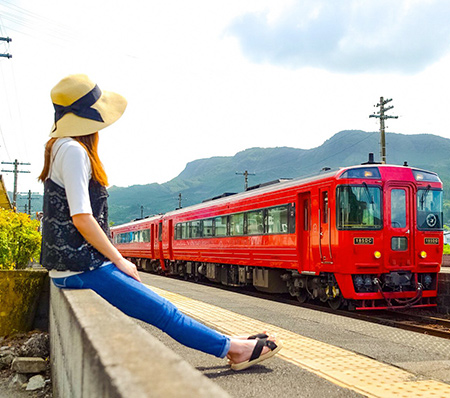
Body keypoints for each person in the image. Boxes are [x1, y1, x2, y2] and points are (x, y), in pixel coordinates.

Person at [39, 74, 280, 371]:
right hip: (82, 269)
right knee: (165, 312)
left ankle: (228, 340)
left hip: (67, 269)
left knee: (163, 307)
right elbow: (82, 217)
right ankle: (234, 350)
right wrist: (119, 260)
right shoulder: (75, 151)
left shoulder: (57, 147)